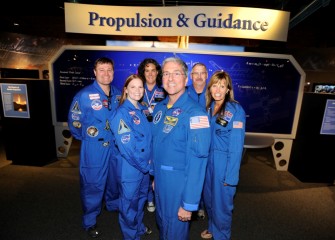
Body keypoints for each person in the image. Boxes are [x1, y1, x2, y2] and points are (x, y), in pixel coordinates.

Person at [151, 57, 211, 239]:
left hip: (179, 184)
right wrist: (155, 176)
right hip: (161, 181)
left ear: (186, 79)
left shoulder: (196, 114)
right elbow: (158, 145)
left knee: (174, 232)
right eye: (167, 73)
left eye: (176, 73)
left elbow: (198, 161)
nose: (170, 78)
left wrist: (189, 202)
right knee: (163, 224)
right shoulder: (160, 108)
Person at [67, 57, 121, 238]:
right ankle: (89, 220)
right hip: (95, 147)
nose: (106, 73)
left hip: (115, 147)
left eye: (109, 70)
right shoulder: (84, 95)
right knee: (93, 183)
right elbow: (74, 121)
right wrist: (88, 139)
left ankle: (112, 204)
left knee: (114, 179)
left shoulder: (119, 94)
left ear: (113, 72)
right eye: (102, 70)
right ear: (95, 72)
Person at [201, 70, 246, 240]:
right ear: (210, 88)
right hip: (208, 162)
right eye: (215, 85)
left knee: (222, 205)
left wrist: (231, 176)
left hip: (224, 162)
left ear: (228, 89)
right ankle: (213, 228)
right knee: (210, 200)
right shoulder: (208, 108)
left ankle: (222, 236)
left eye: (222, 86)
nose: (218, 90)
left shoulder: (236, 110)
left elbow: (236, 146)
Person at [110, 74, 153, 239]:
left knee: (141, 200)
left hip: (143, 167)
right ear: (126, 90)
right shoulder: (122, 114)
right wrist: (146, 167)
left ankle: (138, 227)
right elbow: (128, 149)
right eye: (133, 87)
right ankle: (131, 235)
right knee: (129, 204)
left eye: (140, 87)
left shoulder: (142, 109)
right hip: (132, 167)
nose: (137, 90)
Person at [137, 58, 165, 213]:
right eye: (147, 70)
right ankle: (148, 198)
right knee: (145, 168)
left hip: (158, 136)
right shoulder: (138, 89)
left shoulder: (164, 91)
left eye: (153, 70)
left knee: (158, 167)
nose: (150, 73)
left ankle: (158, 197)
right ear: (143, 72)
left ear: (157, 72)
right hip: (142, 137)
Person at [187, 62, 209, 220]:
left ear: (207, 75)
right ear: (191, 76)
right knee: (191, 175)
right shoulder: (184, 93)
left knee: (207, 177)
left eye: (202, 73)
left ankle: (202, 206)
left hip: (209, 143)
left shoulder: (213, 92)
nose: (199, 76)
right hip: (188, 143)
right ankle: (189, 204)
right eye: (196, 73)